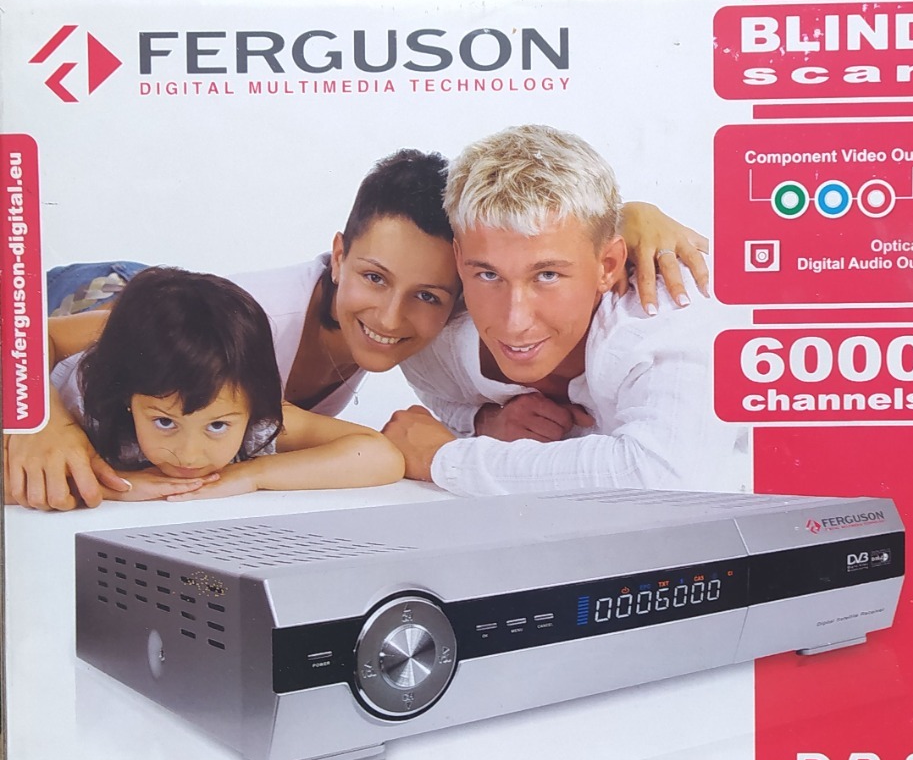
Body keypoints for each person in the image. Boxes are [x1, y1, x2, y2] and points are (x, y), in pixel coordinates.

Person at [4, 149, 707, 510]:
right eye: (372, 277)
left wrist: (632, 215)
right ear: (338, 255)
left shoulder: (476, 310)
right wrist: (40, 423)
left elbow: (534, 212)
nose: (392, 319)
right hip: (100, 300)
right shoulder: (248, 320)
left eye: (428, 295)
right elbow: (32, 333)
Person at [384, 125, 735, 496]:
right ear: (459, 259)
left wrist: (444, 459)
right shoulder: (435, 345)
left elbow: (663, 478)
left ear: (608, 265)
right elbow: (447, 402)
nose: (514, 322)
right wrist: (484, 422)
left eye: (547, 275)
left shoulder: (667, 307)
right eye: (488, 274)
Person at [11, 267, 404, 504]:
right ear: (128, 399)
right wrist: (115, 483)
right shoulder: (85, 401)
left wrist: (253, 476)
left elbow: (379, 455)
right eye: (165, 422)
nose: (189, 455)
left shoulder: (250, 412)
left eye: (217, 426)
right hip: (87, 296)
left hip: (178, 306)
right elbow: (25, 336)